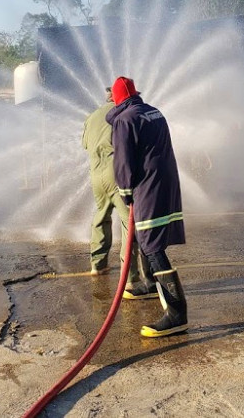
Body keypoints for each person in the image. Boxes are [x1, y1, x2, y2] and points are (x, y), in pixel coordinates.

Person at [106, 76, 188, 337]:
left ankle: (177, 314)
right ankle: (150, 284)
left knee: (152, 246)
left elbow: (123, 161)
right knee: (145, 237)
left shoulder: (124, 120)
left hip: (148, 187)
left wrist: (125, 191)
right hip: (166, 183)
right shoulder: (154, 112)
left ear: (117, 99)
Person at [82, 87, 153, 291]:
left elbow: (85, 145)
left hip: (97, 175)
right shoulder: (124, 115)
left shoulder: (92, 117)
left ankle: (98, 264)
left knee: (101, 215)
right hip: (117, 175)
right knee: (128, 224)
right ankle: (131, 279)